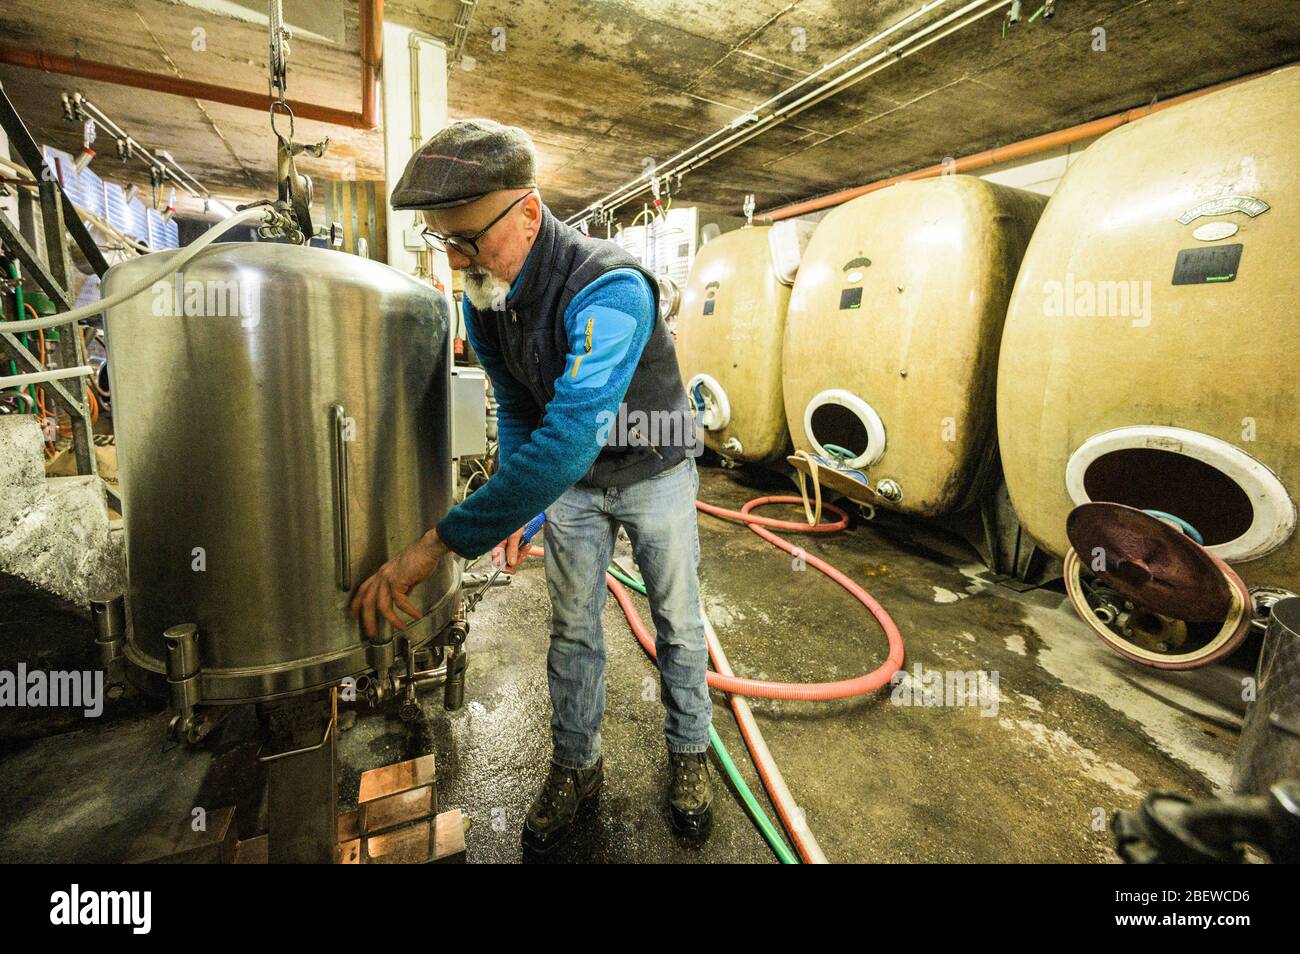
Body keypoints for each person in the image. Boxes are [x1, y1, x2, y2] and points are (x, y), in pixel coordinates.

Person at [351, 119, 712, 854]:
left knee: (677, 621)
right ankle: (577, 766)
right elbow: (517, 407)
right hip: (574, 484)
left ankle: (690, 755)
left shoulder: (611, 288)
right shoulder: (483, 297)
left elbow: (570, 435)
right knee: (574, 629)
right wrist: (523, 503)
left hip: (654, 467)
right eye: (442, 242)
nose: (456, 261)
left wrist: (440, 544)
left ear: (528, 212)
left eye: (469, 240)